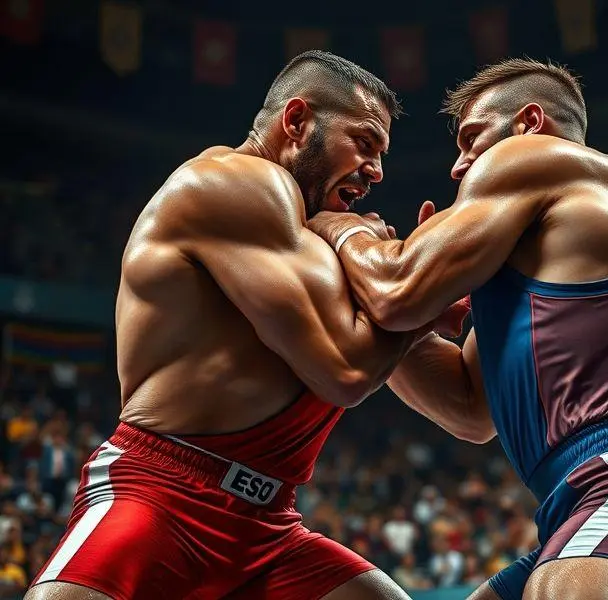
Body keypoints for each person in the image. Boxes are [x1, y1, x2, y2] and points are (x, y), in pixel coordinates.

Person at [26, 51, 466, 600]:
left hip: (268, 526)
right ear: (297, 121)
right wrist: (410, 290)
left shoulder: (329, 253)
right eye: (364, 143)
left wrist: (485, 296)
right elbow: (348, 371)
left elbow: (469, 413)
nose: (377, 170)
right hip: (164, 494)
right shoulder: (234, 182)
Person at [308, 57, 608, 600]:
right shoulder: (570, 242)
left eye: (471, 140)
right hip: (585, 500)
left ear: (530, 126)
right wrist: (411, 331)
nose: (460, 166)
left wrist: (340, 229)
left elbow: (394, 287)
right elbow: (469, 409)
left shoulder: (540, 160)